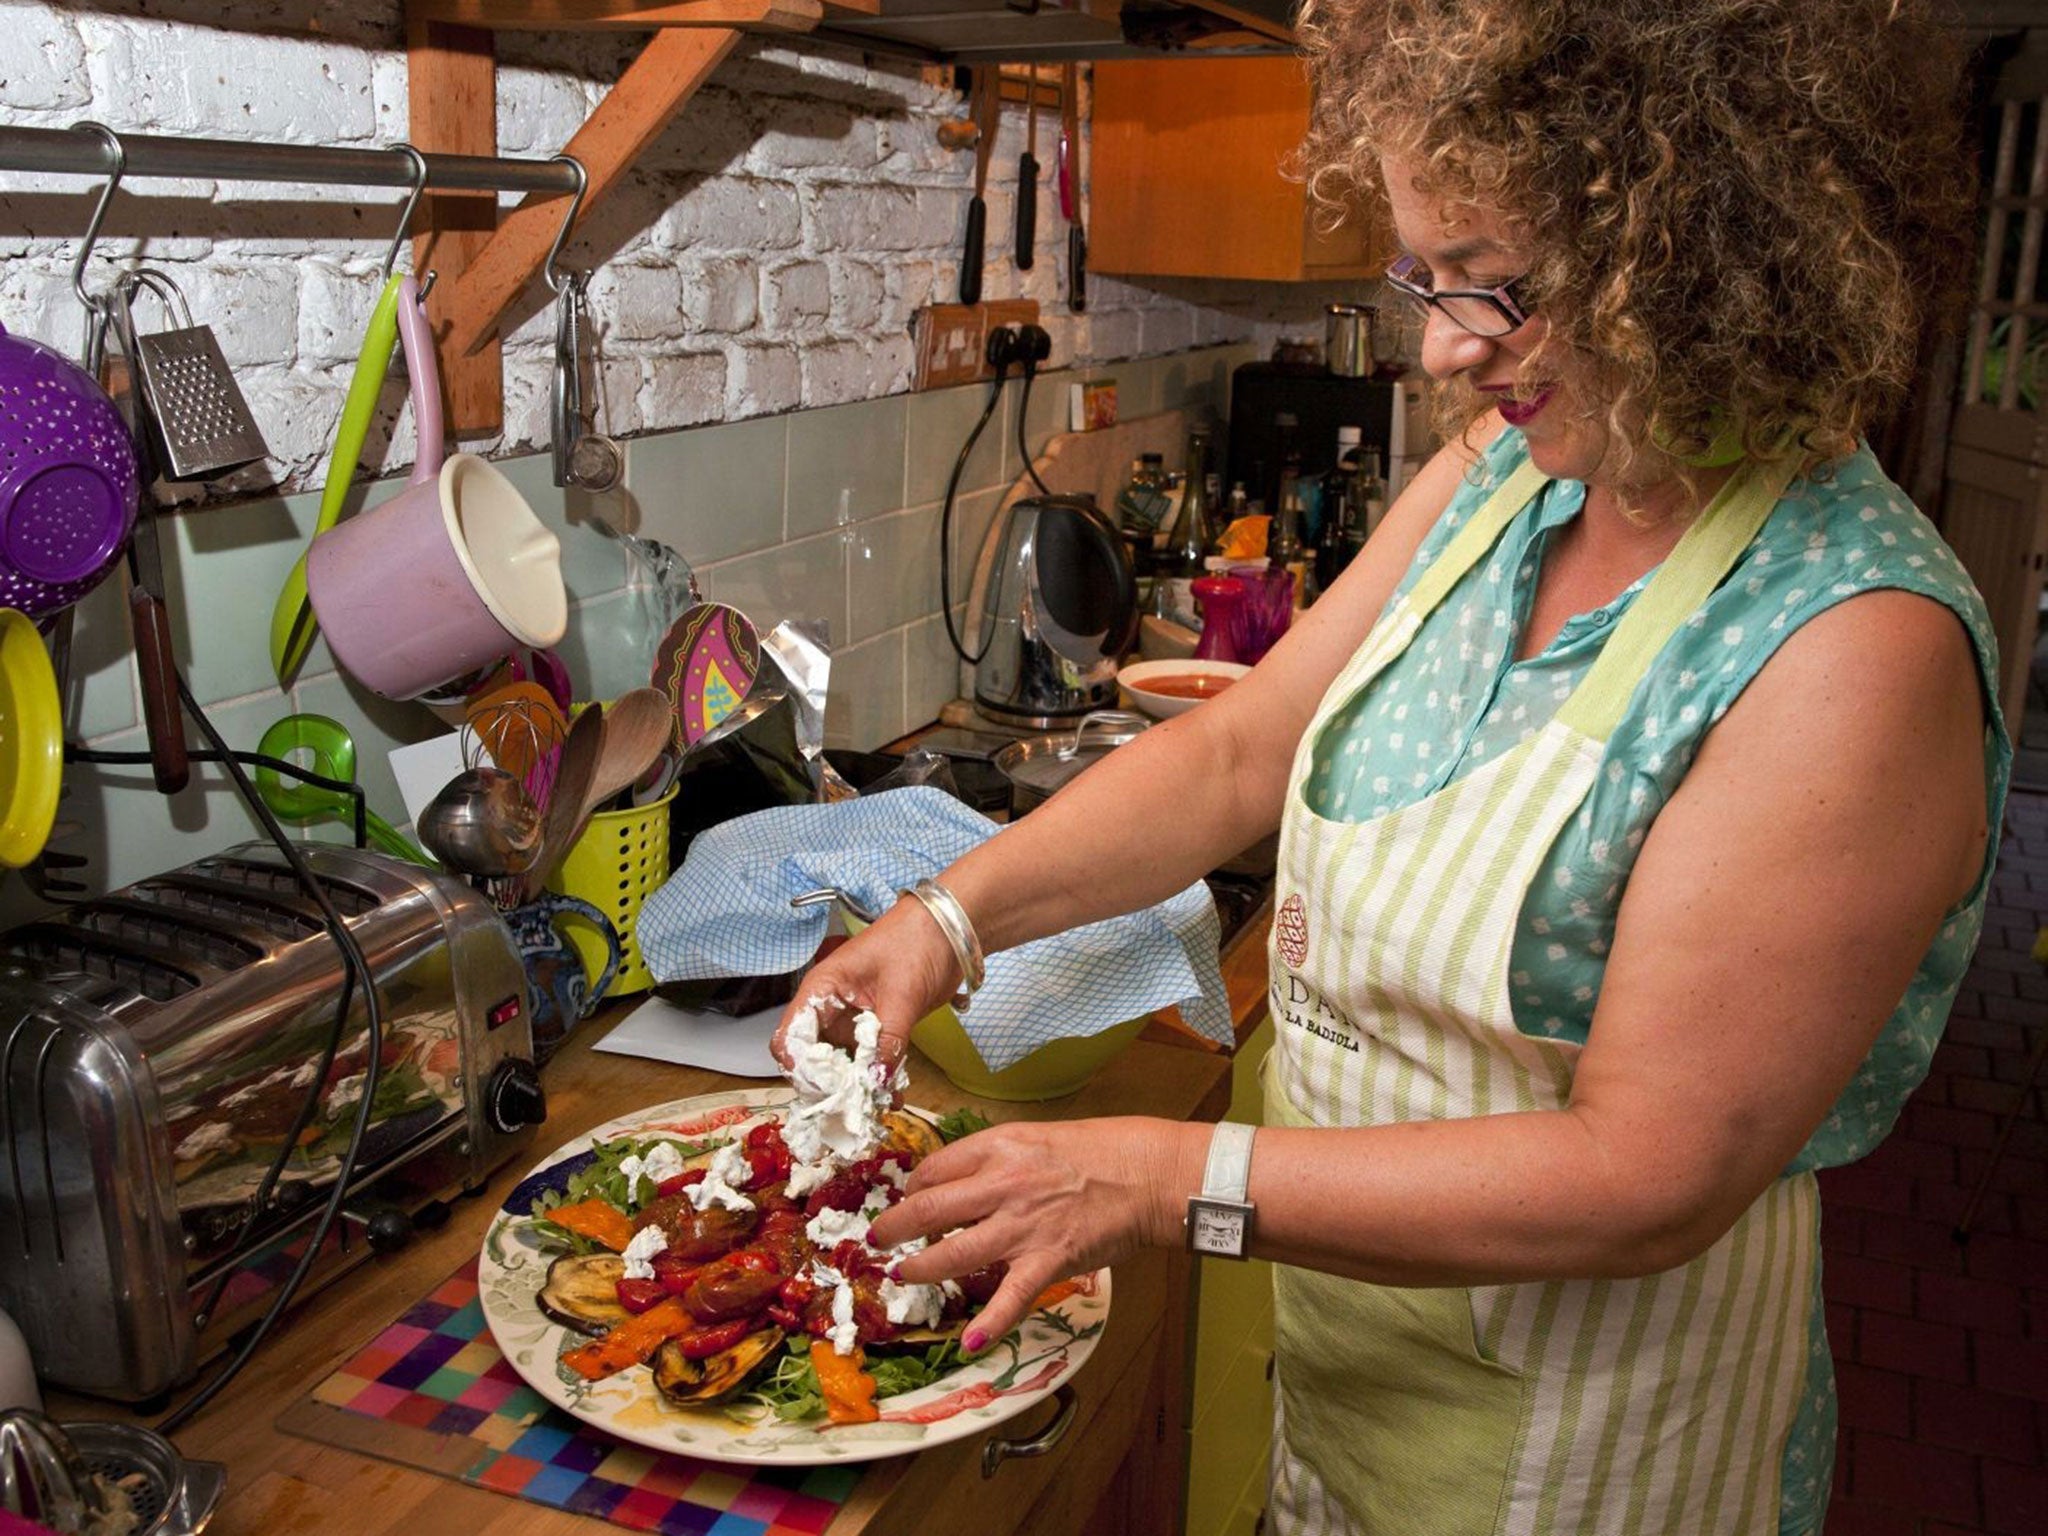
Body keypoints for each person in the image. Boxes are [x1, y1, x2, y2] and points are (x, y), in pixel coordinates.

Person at [776, 1, 2006, 1530]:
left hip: (1600, 1460)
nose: (1442, 345)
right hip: (1353, 1399)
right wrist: (941, 923)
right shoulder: (1502, 478)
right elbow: (1236, 745)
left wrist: (1160, 1178)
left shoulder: (1854, 645)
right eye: (1427, 274)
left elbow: (1646, 1171)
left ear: (1709, 248)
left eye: (1507, 289)